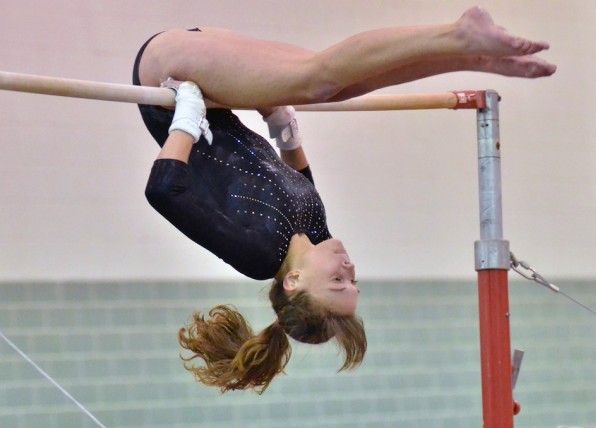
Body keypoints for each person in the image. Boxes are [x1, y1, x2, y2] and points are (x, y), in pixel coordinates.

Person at [132, 6, 556, 394]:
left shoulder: (257, 255)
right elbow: (298, 183)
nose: (349, 269)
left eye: (338, 281)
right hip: (215, 91)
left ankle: (460, 36)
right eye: (354, 282)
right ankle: (471, 58)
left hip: (166, 79)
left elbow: (165, 191)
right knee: (334, 88)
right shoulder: (315, 234)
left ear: (293, 283)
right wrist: (286, 133)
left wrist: (185, 120)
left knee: (319, 80)